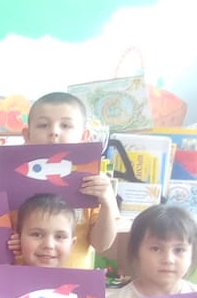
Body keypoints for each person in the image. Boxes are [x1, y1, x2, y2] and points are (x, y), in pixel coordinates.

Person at [8, 91, 118, 269]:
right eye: (43, 125)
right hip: (23, 280)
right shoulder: (12, 179)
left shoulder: (93, 181)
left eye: (66, 125)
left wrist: (106, 202)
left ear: (84, 136)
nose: (54, 132)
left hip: (74, 282)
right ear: (27, 135)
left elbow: (101, 244)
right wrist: (11, 241)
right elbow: (4, 238)